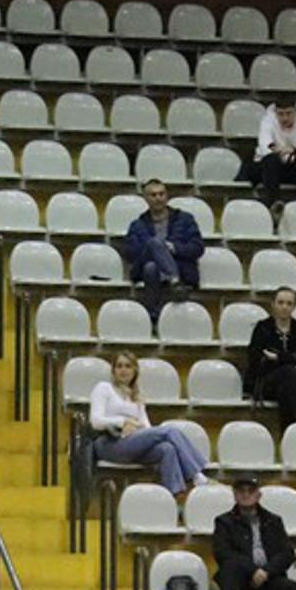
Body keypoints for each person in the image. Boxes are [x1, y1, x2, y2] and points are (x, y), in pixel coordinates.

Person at [88, 351, 209, 499]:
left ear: (134, 371)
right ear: (113, 370)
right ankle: (196, 475)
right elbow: (96, 421)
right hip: (109, 443)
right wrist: (123, 422)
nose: (123, 370)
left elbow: (147, 428)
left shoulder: (137, 395)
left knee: (167, 448)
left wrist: (137, 429)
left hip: (133, 442)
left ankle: (175, 496)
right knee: (169, 431)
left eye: (128, 366)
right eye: (119, 366)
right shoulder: (103, 388)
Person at [212, 476, 296, 590]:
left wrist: (266, 571)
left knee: (292, 589)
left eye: (250, 491)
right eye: (241, 491)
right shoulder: (223, 522)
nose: (246, 495)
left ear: (258, 495)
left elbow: (286, 553)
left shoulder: (274, 521)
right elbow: (222, 553)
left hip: (268, 577)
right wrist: (253, 570)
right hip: (240, 577)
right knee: (229, 568)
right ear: (234, 495)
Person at [120, 177, 204, 317]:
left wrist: (174, 248)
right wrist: (155, 250)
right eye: (153, 195)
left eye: (161, 194)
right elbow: (131, 254)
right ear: (146, 199)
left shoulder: (185, 219)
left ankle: (154, 314)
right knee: (154, 244)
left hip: (180, 267)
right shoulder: (137, 225)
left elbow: (198, 247)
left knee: (151, 267)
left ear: (167, 196)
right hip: (145, 266)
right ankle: (175, 282)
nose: (158, 198)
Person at [241, 284, 296, 427]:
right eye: (280, 303)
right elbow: (255, 359)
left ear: (294, 306)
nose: (284, 307)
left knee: (286, 388)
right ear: (273, 305)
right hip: (266, 382)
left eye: (289, 303)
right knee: (290, 372)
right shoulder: (262, 328)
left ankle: (289, 433)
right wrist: (291, 360)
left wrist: (277, 358)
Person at [244, 99, 296, 204]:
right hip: (265, 169)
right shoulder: (268, 121)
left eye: (288, 113)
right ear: (275, 113)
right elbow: (267, 150)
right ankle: (274, 203)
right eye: (280, 114)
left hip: (290, 167)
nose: (285, 118)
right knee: (271, 159)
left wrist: (293, 150)